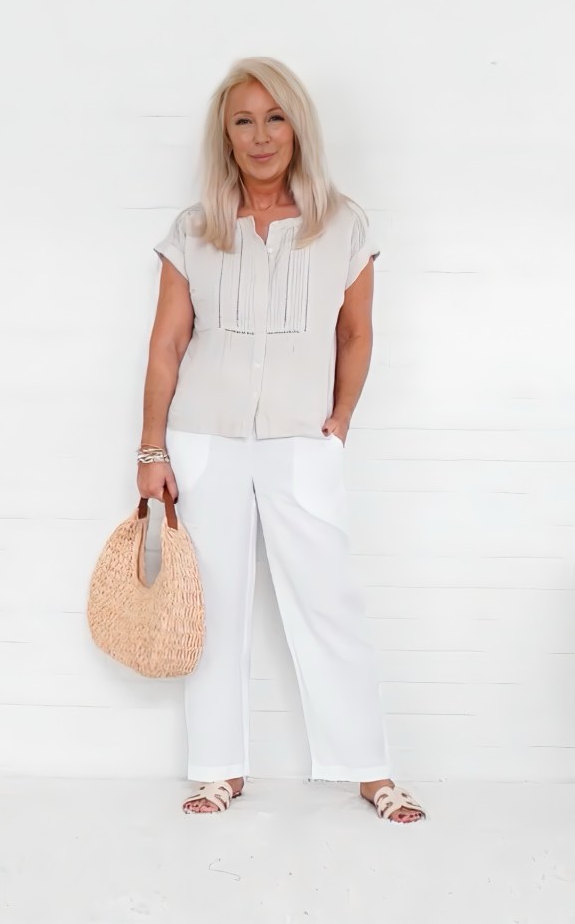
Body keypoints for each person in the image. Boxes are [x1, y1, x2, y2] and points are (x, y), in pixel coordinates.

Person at [136, 57, 427, 824]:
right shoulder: (194, 230)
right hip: (205, 438)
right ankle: (218, 769)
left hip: (302, 439)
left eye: (274, 117)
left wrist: (342, 418)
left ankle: (369, 768)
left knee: (328, 599)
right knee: (216, 605)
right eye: (242, 120)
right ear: (224, 135)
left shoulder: (345, 223)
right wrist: (151, 449)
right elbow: (167, 342)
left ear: (297, 125)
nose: (260, 135)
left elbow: (358, 331)